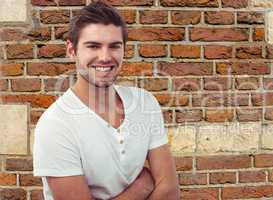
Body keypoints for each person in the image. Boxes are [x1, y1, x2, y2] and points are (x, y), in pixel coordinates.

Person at [32, 1, 179, 200]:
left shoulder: (145, 102)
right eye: (93, 46)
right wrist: (141, 188)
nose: (105, 57)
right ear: (71, 50)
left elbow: (169, 190)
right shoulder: (56, 125)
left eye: (114, 46)